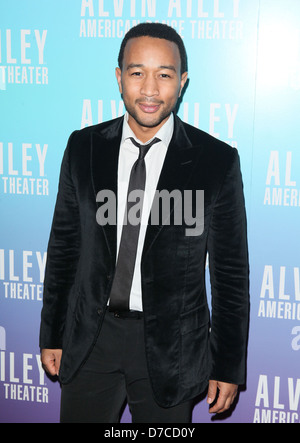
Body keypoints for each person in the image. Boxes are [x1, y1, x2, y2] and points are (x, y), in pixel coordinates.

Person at [40, 23, 249, 423]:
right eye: (137, 73)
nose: (150, 89)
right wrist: (52, 333)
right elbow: (64, 248)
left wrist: (228, 365)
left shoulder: (216, 161)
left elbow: (230, 275)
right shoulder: (83, 148)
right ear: (119, 78)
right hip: (90, 341)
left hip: (171, 351)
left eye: (164, 75)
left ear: (182, 82)